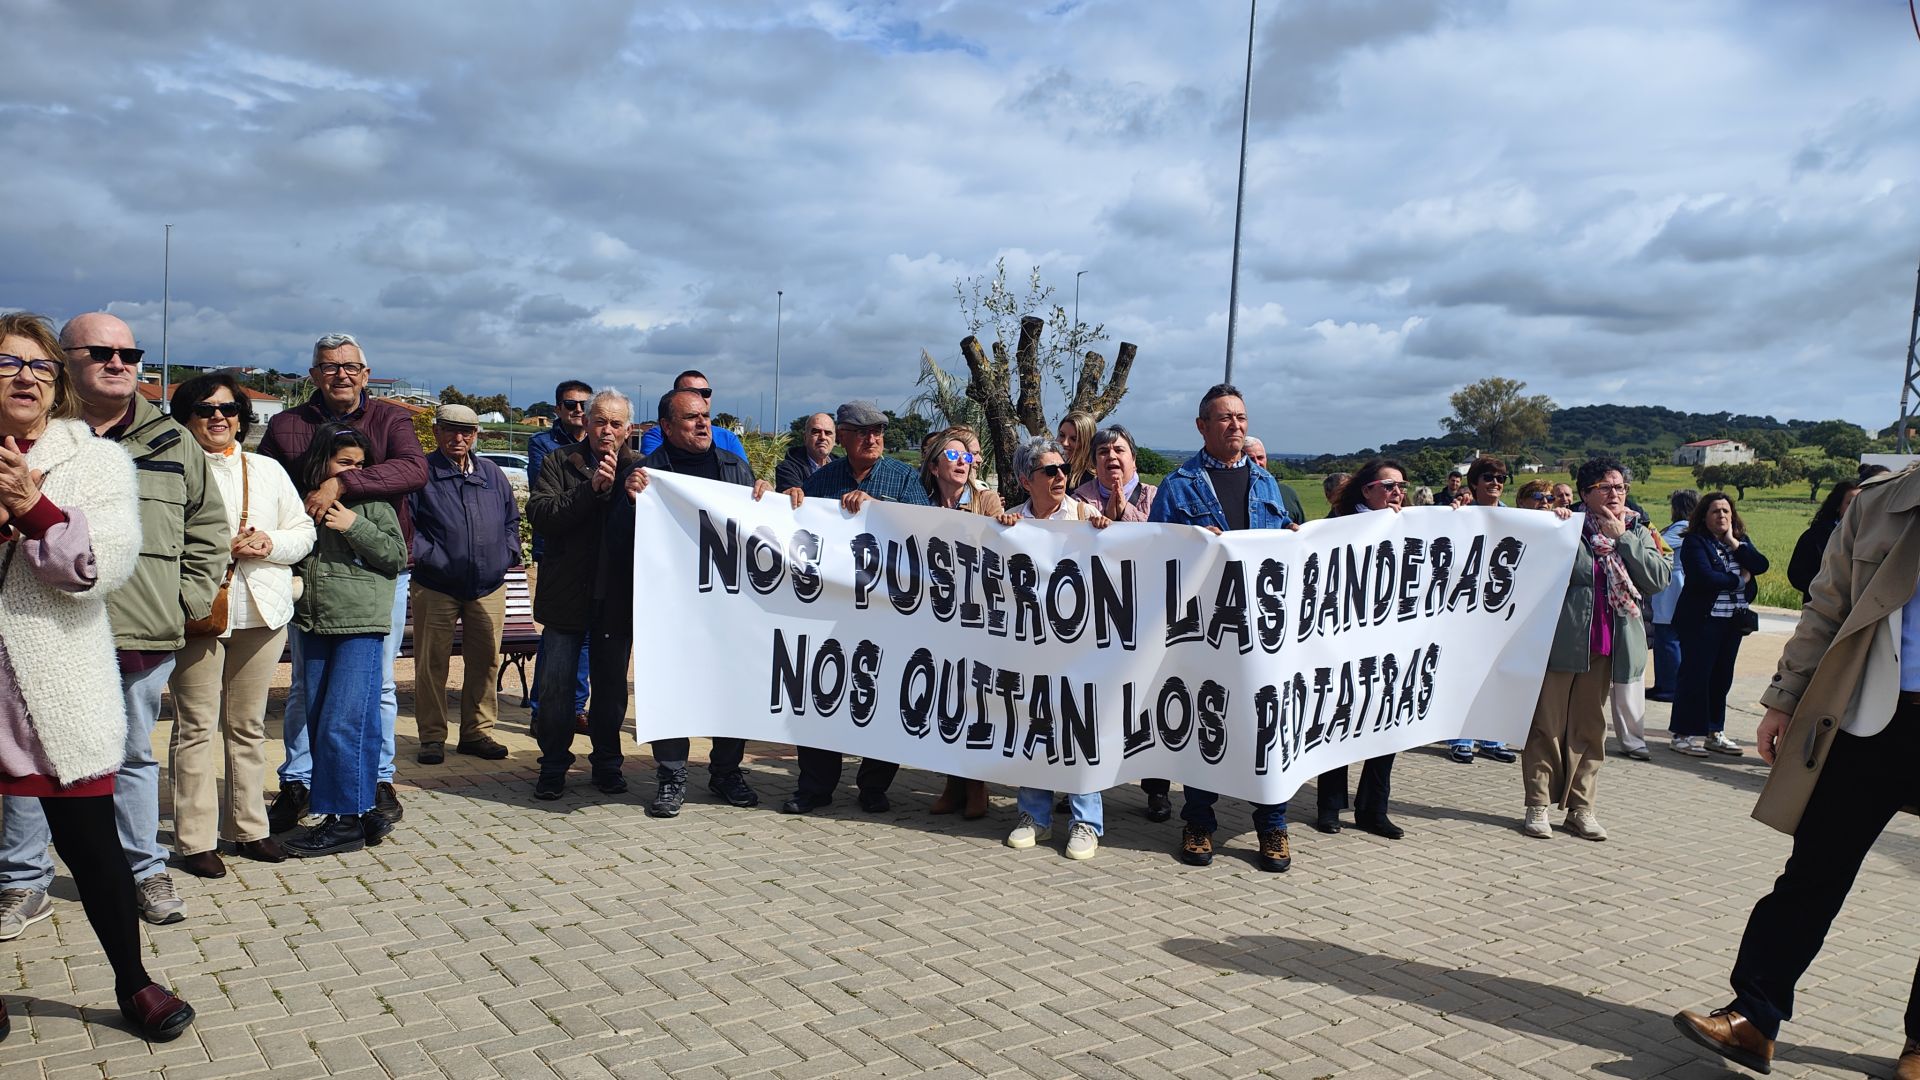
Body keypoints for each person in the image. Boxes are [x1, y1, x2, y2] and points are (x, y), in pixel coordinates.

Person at [1672, 465, 1920, 1079]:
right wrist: (1784, 698)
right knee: (1813, 872)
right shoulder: (1883, 502)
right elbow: (1827, 603)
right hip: (1873, 717)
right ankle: (1754, 1016)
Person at [0, 312, 195, 1041]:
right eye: (7, 363)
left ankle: (134, 982)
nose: (25, 377)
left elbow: (98, 568)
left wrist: (33, 506)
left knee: (92, 846)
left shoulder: (95, 462)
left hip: (51, 687)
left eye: (40, 367)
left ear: (56, 386)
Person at [258, 333, 426, 830]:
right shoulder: (288, 425)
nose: (341, 374)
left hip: (375, 573)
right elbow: (268, 481)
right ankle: (301, 780)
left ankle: (375, 779)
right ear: (313, 375)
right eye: (330, 367)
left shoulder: (391, 419)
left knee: (375, 687)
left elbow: (414, 469)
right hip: (308, 569)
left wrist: (343, 480)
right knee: (306, 687)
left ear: (366, 374)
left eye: (351, 366)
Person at [165, 374, 315, 877]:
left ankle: (249, 829)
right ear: (186, 417)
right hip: (198, 612)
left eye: (228, 409)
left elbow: (304, 531)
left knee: (248, 727)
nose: (218, 417)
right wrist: (216, 549)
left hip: (262, 611)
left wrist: (269, 542)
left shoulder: (268, 469)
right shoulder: (169, 470)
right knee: (195, 728)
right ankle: (195, 839)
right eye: (205, 408)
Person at [1148, 383, 1297, 872]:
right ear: (1202, 427)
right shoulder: (1177, 486)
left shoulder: (1267, 485)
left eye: (1242, 417)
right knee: (1206, 722)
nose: (1236, 425)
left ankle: (1272, 825)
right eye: (1225, 418)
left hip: (1262, 630)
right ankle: (1198, 822)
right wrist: (1190, 543)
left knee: (1265, 725)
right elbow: (1155, 555)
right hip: (1204, 631)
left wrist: (1294, 541)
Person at [619, 388, 777, 816]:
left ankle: (726, 773)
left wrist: (768, 495)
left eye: (706, 415)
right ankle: (671, 778)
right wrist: (630, 500)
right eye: (691, 418)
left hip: (727, 607)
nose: (703, 423)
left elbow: (762, 531)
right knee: (672, 687)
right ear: (666, 427)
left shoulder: (734, 469)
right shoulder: (648, 474)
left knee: (732, 688)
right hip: (671, 609)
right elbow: (622, 538)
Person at [779, 401, 931, 815]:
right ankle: (815, 787)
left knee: (882, 696)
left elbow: (929, 529)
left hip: (886, 612)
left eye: (879, 430)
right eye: (862, 431)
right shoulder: (822, 480)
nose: (873, 438)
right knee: (819, 695)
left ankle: (874, 786)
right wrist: (787, 503)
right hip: (832, 612)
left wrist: (879, 508)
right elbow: (795, 534)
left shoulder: (902, 478)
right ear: (842, 437)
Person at [1520, 458, 1668, 841]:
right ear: (1585, 493)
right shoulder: (1564, 526)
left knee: (1591, 729)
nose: (1615, 494)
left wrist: (1624, 538)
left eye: (1620, 487)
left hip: (1608, 643)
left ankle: (1581, 808)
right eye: (1605, 487)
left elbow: (1657, 579)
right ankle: (1537, 804)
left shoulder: (1636, 527)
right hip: (1561, 641)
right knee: (1546, 725)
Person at [283, 424, 406, 857]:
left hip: (359, 623)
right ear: (322, 463)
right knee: (323, 720)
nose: (354, 471)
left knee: (344, 722)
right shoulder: (302, 500)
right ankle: (363, 807)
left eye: (360, 464)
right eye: (344, 463)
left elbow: (396, 557)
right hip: (314, 620)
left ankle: (344, 822)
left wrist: (354, 525)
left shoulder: (372, 503)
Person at [996, 436, 1110, 859]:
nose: (1061, 476)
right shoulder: (1011, 522)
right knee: (1035, 723)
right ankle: (1035, 815)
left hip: (1079, 642)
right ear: (1027, 480)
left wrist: (1105, 532)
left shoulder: (1084, 514)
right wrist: (1000, 536)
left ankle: (1085, 821)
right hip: (1031, 643)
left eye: (1063, 468)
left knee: (1081, 726)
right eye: (1050, 470)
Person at [527, 391, 641, 800]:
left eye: (615, 424)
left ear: (629, 429)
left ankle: (607, 765)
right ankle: (553, 766)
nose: (607, 430)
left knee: (610, 693)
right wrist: (590, 490)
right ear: (586, 424)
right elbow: (541, 515)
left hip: (615, 601)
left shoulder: (641, 470)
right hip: (566, 598)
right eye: (599, 421)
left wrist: (632, 499)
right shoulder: (560, 461)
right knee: (556, 691)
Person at [407, 405, 521, 765]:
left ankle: (476, 732)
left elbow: (511, 519)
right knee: (432, 664)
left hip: (488, 584)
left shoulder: (491, 473)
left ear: (475, 435)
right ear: (438, 431)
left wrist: (508, 552)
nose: (459, 438)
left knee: (485, 660)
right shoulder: (421, 473)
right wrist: (430, 557)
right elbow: (408, 527)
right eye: (451, 430)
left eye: (467, 432)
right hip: (436, 585)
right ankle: (432, 737)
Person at [1312, 459, 1410, 840]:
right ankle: (1330, 806)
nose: (1397, 493)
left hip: (1391, 642)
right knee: (1339, 719)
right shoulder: (1336, 525)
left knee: (1386, 723)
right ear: (1367, 489)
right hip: (1342, 641)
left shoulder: (1408, 525)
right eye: (1389, 486)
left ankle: (1374, 808)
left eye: (1401, 486)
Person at [919, 426, 1002, 821]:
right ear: (934, 466)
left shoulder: (986, 500)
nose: (962, 463)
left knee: (974, 700)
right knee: (944, 698)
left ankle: (976, 786)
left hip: (976, 615)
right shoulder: (918, 504)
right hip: (937, 615)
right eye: (952, 457)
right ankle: (952, 784)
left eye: (966, 457)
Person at [1670, 492, 1770, 759]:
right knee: (1695, 677)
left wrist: (1735, 544)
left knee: (1721, 678)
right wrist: (1739, 579)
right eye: (1716, 511)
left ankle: (1715, 731)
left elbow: (1761, 565)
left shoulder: (1740, 543)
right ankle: (1684, 734)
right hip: (1702, 621)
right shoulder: (1695, 542)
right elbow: (1705, 578)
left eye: (1726, 511)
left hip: (1731, 623)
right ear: (1704, 516)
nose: (1722, 516)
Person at [527, 379, 593, 735]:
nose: (578, 410)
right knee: (557, 634)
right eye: (571, 405)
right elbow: (548, 494)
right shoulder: (543, 445)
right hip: (555, 550)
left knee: (585, 637)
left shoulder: (604, 447)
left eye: (585, 404)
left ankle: (576, 707)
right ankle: (542, 711)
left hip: (593, 555)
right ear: (558, 409)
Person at [1447, 456, 1522, 765]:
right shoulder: (1459, 515)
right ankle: (1461, 738)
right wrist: (1449, 516)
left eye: (1501, 478)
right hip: (1464, 606)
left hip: (1501, 606)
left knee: (1497, 674)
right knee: (1464, 673)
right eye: (1488, 477)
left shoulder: (1517, 519)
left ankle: (1493, 738)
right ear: (1474, 483)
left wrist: (1558, 516)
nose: (1495, 482)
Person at [1645, 489, 1697, 703]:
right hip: (1676, 582)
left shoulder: (1681, 528)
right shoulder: (1690, 527)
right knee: (1668, 637)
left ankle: (1669, 686)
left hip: (1672, 584)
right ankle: (1667, 684)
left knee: (1667, 637)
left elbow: (1658, 545)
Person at [638, 370, 747, 459]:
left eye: (705, 392)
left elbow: (743, 476)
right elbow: (653, 474)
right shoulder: (657, 436)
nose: (698, 397)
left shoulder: (728, 438)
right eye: (691, 392)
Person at [1787, 478, 1860, 605]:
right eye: (1850, 503)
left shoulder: (1874, 537)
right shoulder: (1816, 536)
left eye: (1861, 502)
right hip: (1821, 607)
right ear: (1838, 506)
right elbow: (1796, 574)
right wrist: (1825, 588)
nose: (1856, 508)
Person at [1243, 436, 1306, 523]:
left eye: (1260, 458)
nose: (1257, 463)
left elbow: (1302, 530)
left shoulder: (1287, 493)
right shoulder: (1235, 494)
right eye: (1250, 459)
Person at [777, 412, 836, 492]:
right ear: (805, 437)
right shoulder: (787, 469)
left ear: (834, 439)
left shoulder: (845, 469)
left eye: (828, 433)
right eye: (816, 432)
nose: (822, 437)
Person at [1056, 410, 1096, 489]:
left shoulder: (1094, 480)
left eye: (1074, 439)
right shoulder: (1047, 471)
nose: (1065, 443)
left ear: (1087, 443)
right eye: (1062, 435)